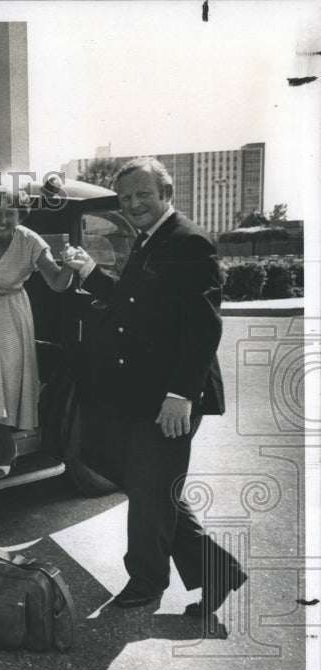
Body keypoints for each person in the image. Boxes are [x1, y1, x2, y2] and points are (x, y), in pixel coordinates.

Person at [64, 156, 246, 626]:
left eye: (143, 194)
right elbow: (133, 305)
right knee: (147, 485)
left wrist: (181, 395)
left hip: (170, 397)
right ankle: (217, 570)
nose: (134, 204)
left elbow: (204, 327)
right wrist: (88, 272)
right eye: (125, 198)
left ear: (166, 193)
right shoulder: (151, 240)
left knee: (150, 490)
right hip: (142, 393)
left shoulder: (188, 242)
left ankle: (146, 582)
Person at [0, 186, 76, 478]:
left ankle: (7, 446)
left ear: (20, 215)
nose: (2, 219)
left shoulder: (31, 242)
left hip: (12, 311)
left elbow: (58, 284)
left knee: (9, 378)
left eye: (10, 213)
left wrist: (71, 266)